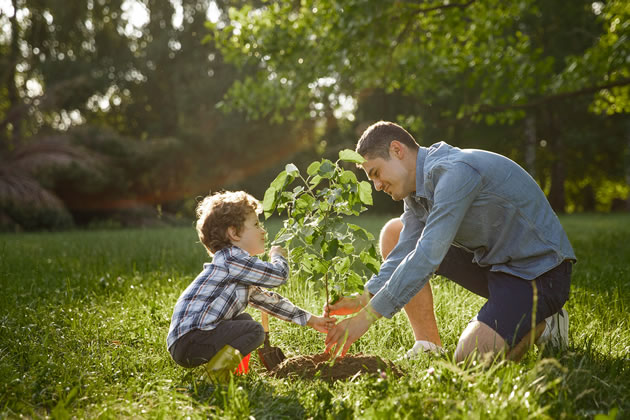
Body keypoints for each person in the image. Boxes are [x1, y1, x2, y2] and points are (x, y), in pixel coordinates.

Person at [325, 121, 575, 363]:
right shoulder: (415, 193)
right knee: (395, 232)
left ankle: (545, 324)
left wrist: (365, 318)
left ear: (397, 150)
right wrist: (364, 298)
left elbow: (427, 255)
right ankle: (428, 346)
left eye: (376, 173)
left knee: (470, 360)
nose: (377, 186)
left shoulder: (454, 172)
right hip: (495, 265)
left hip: (539, 274)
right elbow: (404, 251)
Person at [167, 191, 336, 379]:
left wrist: (313, 320)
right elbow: (279, 276)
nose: (263, 231)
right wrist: (277, 256)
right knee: (255, 331)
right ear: (233, 233)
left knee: (245, 321)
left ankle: (233, 372)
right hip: (192, 339)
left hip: (187, 341)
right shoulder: (232, 259)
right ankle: (213, 377)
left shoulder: (236, 269)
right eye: (256, 224)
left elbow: (271, 302)